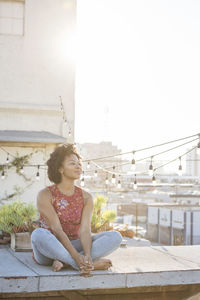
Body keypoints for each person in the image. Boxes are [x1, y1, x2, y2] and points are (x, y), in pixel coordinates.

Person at [31, 144, 122, 276]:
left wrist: (87, 256)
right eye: (72, 163)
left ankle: (69, 262)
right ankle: (80, 265)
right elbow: (57, 230)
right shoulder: (45, 195)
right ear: (60, 169)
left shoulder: (86, 197)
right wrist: (77, 258)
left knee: (115, 237)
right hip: (50, 248)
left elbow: (85, 230)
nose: (78, 166)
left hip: (75, 244)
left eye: (79, 163)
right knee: (38, 234)